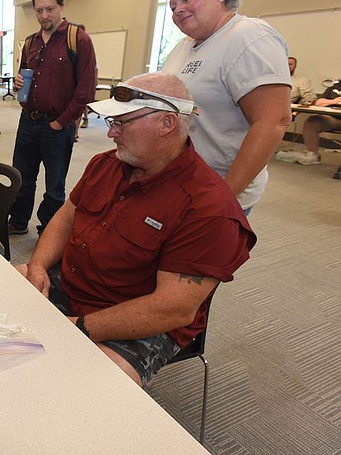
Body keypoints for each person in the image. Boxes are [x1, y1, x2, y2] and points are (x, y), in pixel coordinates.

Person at [17, 72, 256, 386]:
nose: (111, 133)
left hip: (137, 316)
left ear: (166, 124)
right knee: (0, 298)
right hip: (80, 282)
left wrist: (76, 327)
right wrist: (37, 266)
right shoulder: (106, 164)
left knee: (77, 387)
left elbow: (172, 310)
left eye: (121, 123)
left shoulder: (209, 209)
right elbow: (66, 217)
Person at [162, 0, 292, 213]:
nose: (178, 10)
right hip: (182, 182)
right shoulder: (183, 47)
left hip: (219, 187)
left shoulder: (249, 35)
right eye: (173, 5)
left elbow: (273, 121)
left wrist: (224, 197)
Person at [9, 0, 97, 235]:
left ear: (61, 6)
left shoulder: (78, 39)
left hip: (57, 126)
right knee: (22, 178)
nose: (44, 16)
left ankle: (50, 230)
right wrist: (18, 85)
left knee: (54, 185)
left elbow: (85, 91)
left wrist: (61, 123)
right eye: (39, 10)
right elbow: (23, 78)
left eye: (49, 9)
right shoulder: (31, 42)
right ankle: (18, 221)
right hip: (27, 122)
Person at [292, 80, 341, 174]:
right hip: (333, 117)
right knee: (312, 122)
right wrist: (334, 101)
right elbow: (319, 102)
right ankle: (313, 155)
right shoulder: (336, 86)